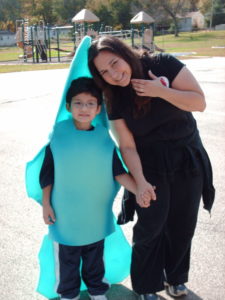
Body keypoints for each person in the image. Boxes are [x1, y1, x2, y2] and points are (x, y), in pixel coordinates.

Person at [88, 36, 215, 300]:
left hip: (187, 157)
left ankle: (176, 278)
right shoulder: (114, 97)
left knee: (183, 223)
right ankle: (146, 286)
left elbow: (199, 103)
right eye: (104, 72)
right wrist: (140, 182)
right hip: (150, 165)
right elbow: (127, 146)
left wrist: (161, 91)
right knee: (151, 226)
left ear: (124, 53)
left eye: (115, 63)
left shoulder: (163, 64)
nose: (113, 73)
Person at [39, 77, 138, 300]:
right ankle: (69, 294)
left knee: (95, 257)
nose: (84, 108)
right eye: (78, 102)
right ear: (68, 106)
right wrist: (46, 204)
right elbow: (47, 175)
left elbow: (118, 172)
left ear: (98, 108)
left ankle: (97, 291)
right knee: (67, 259)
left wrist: (140, 189)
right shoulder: (57, 136)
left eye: (90, 103)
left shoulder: (103, 138)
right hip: (65, 215)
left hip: (95, 214)